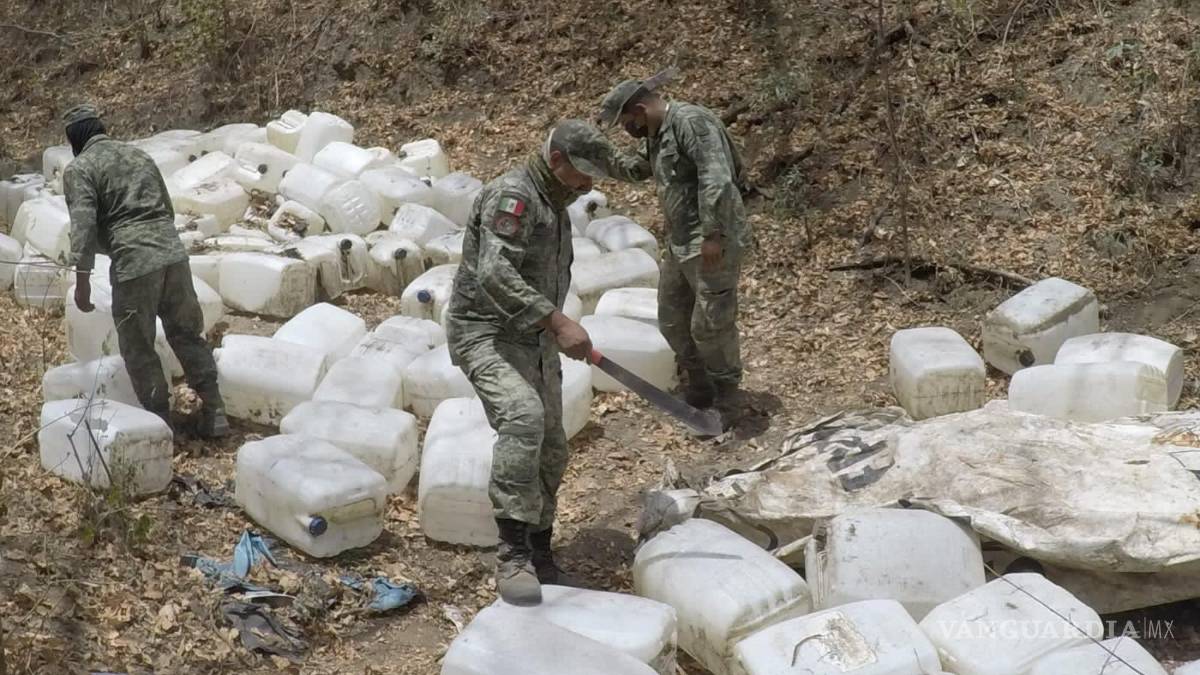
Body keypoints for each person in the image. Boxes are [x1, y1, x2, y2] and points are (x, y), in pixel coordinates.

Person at [446, 119, 633, 605]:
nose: (588, 184)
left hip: (532, 336)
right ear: (556, 161)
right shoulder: (515, 197)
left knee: (552, 446)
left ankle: (541, 553)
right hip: (485, 331)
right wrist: (557, 320)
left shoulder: (555, 202)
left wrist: (549, 326)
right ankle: (511, 555)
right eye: (582, 173)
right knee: (523, 417)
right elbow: (494, 271)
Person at [61, 104, 228, 438]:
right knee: (187, 334)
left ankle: (159, 424)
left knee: (138, 346)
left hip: (134, 264)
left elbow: (84, 225)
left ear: (74, 138)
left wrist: (82, 280)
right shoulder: (138, 156)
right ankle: (215, 410)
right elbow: (166, 207)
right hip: (173, 255)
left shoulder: (80, 168)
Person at [597, 72, 751, 426]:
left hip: (711, 241)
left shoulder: (690, 123)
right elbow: (636, 169)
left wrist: (713, 234)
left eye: (627, 122)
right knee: (672, 318)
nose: (628, 130)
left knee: (711, 324)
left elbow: (716, 178)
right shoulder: (656, 134)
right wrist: (594, 155)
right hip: (681, 242)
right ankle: (700, 385)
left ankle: (728, 397)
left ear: (640, 110)